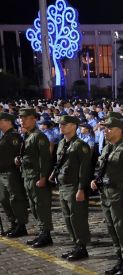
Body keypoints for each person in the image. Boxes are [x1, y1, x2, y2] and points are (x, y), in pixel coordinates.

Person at [90, 118, 123, 275]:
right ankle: (119, 259)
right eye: (105, 128)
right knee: (112, 229)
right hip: (106, 194)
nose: (106, 131)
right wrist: (96, 181)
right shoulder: (107, 148)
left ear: (119, 130)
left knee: (122, 229)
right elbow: (103, 170)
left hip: (119, 196)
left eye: (109, 128)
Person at [54, 116, 93, 260]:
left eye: (64, 124)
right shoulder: (62, 143)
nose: (61, 126)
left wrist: (81, 189)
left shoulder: (80, 145)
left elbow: (85, 169)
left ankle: (82, 246)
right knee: (67, 218)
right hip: (63, 185)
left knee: (77, 218)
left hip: (74, 186)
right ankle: (75, 244)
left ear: (74, 126)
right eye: (60, 124)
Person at [17, 108, 54, 247]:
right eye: (21, 118)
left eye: (25, 118)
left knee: (41, 206)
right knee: (33, 206)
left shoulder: (39, 136)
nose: (22, 120)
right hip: (28, 176)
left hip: (37, 176)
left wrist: (43, 177)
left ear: (34, 119)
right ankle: (42, 232)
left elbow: (45, 159)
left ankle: (46, 234)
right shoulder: (27, 135)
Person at [0, 112, 30, 237]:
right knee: (4, 199)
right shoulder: (5, 136)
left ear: (8, 121)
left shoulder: (13, 136)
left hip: (11, 172)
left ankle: (21, 225)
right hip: (2, 173)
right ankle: (13, 223)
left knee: (15, 199)